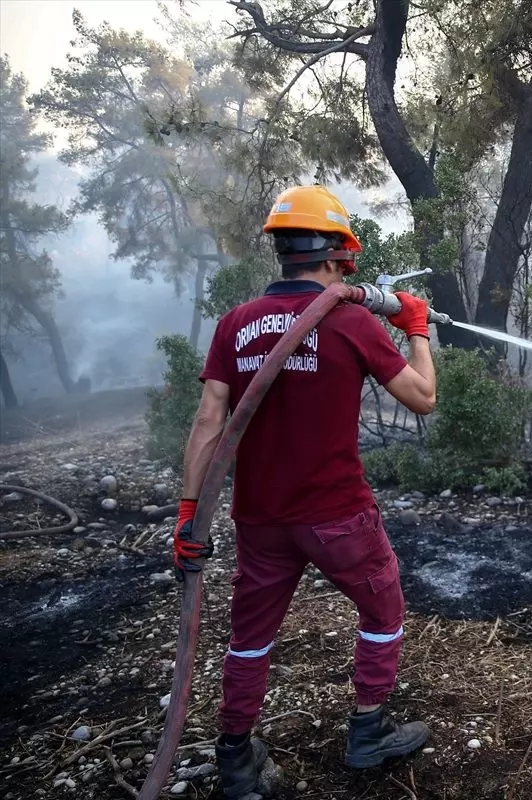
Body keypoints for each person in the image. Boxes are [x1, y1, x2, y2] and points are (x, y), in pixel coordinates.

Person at [171, 185, 437, 798]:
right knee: (383, 610)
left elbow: (209, 422)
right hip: (338, 515)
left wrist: (188, 517)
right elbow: (423, 398)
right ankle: (368, 732)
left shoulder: (235, 323)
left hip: (259, 519)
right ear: (342, 253)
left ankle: (235, 757)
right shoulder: (350, 320)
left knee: (250, 637)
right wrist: (415, 327)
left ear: (280, 251)